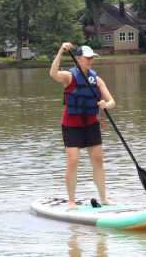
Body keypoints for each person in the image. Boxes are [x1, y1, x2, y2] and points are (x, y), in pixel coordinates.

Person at [50, 42, 116, 210]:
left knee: (98, 161)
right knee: (73, 161)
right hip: (71, 124)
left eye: (91, 58)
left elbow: (112, 102)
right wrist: (60, 51)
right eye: (87, 58)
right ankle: (71, 201)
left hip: (91, 124)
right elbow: (53, 73)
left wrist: (106, 105)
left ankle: (104, 198)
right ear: (78, 59)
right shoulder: (69, 77)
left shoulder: (97, 79)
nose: (90, 61)